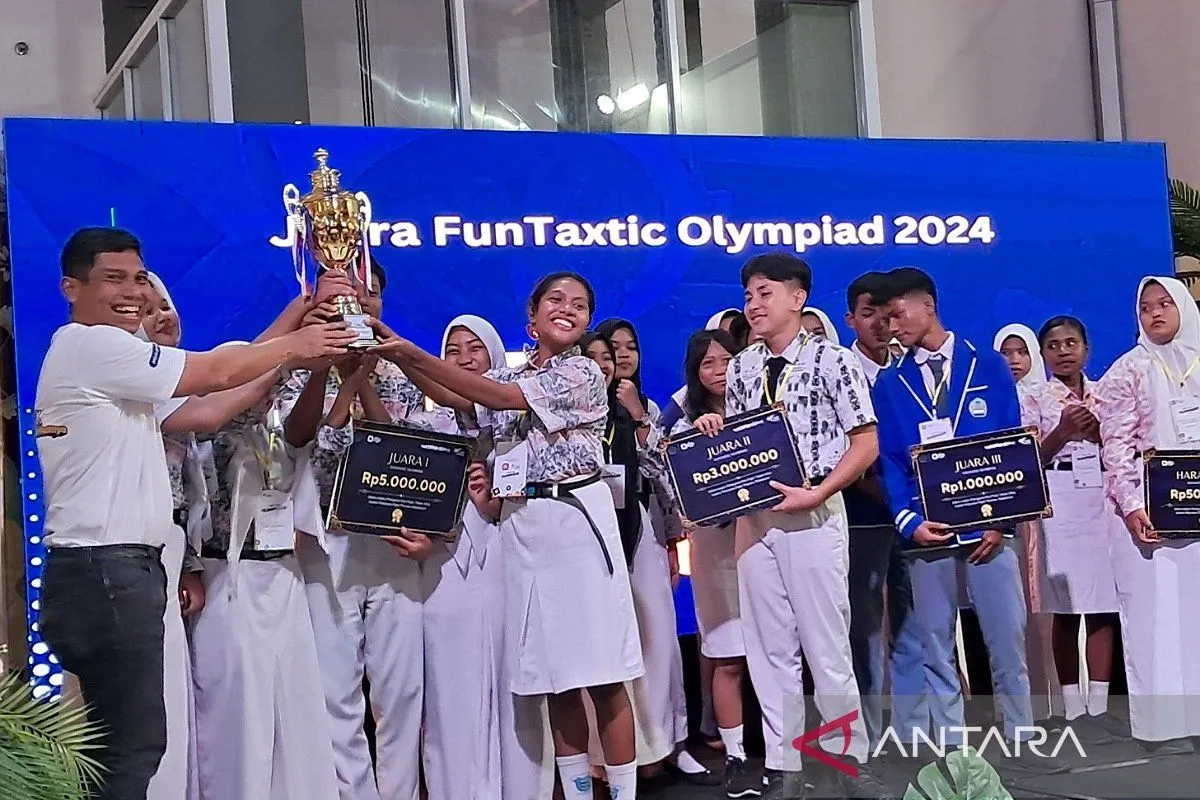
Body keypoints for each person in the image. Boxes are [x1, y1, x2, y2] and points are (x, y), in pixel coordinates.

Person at [35, 227, 355, 800]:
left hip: (114, 569)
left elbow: (215, 390)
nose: (133, 294)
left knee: (127, 746)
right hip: (107, 569)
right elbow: (217, 376)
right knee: (130, 750)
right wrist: (301, 343)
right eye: (114, 279)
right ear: (71, 288)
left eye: (139, 278)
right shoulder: (94, 347)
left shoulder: (113, 366)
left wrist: (301, 312)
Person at [371, 273, 643, 800]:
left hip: (575, 524)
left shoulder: (582, 372)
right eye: (556, 300)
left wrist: (406, 351)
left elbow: (496, 397)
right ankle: (578, 794)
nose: (568, 310)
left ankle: (624, 794)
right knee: (553, 677)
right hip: (521, 526)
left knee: (603, 673)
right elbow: (456, 394)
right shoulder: (512, 372)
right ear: (532, 316)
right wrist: (393, 351)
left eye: (580, 305)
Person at [695, 253, 889, 799]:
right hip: (754, 521)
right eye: (749, 296)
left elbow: (866, 443)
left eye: (765, 293)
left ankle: (848, 759)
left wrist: (820, 492)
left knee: (826, 646)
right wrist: (715, 430)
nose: (754, 305)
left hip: (814, 513)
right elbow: (742, 444)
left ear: (797, 298)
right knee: (768, 647)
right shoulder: (742, 367)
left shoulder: (833, 360)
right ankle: (784, 763)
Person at [870, 267, 1065, 773]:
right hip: (927, 531)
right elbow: (889, 461)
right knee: (935, 644)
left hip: (990, 528)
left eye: (898, 314)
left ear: (928, 305)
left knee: (1006, 639)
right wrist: (908, 521)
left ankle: (1021, 740)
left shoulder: (988, 365)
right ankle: (953, 752)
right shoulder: (890, 382)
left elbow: (1010, 443)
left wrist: (1002, 521)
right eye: (886, 319)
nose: (893, 326)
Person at [279, 263, 433, 800]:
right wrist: (330, 371)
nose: (360, 303)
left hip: (392, 537)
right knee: (335, 689)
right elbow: (298, 437)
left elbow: (400, 448)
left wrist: (363, 375)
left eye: (370, 294)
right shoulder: (297, 364)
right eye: (348, 294)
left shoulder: (401, 370)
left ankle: (400, 793)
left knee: (401, 688)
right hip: (326, 537)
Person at [417, 315, 553, 800]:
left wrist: (495, 502)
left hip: (508, 555)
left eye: (475, 348)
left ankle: (523, 788)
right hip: (442, 567)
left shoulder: (520, 421)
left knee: (517, 681)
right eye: (452, 350)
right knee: (450, 686)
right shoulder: (426, 427)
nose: (464, 358)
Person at [588, 322, 715, 791]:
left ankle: (667, 745)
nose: (620, 358)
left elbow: (664, 476)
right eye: (608, 351)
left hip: (643, 528)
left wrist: (640, 418)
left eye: (628, 348)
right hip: (590, 530)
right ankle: (605, 757)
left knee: (658, 639)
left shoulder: (648, 408)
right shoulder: (574, 407)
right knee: (603, 646)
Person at [1098, 276, 1200, 747]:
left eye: (1163, 304)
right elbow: (1115, 445)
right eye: (1145, 307)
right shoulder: (1128, 369)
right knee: (1154, 620)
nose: (1155, 313)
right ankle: (1163, 729)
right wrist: (1133, 506)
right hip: (1148, 517)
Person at [1021, 315, 1123, 740]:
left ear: (1086, 348)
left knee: (1102, 604)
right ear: (1043, 353)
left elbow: (1122, 446)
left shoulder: (1106, 394)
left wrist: (1100, 434)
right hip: (1058, 499)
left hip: (1099, 496)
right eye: (1054, 345)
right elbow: (1026, 460)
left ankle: (1099, 706)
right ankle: (1072, 707)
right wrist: (1061, 432)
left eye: (1071, 343)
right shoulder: (1033, 397)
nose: (1063, 352)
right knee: (1064, 606)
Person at [669, 328, 760, 799]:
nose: (719, 371)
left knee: (779, 656)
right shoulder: (684, 429)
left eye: (727, 360)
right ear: (695, 373)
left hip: (765, 542)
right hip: (715, 552)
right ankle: (736, 757)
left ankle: (785, 752)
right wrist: (700, 439)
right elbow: (680, 493)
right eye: (708, 363)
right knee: (728, 655)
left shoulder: (764, 412)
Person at [841, 273, 926, 747]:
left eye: (887, 313)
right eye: (868, 312)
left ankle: (912, 732)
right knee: (865, 629)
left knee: (913, 623)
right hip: (863, 517)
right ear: (851, 319)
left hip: (914, 521)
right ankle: (869, 733)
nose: (879, 323)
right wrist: (891, 498)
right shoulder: (840, 372)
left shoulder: (911, 370)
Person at [994, 324, 1047, 389]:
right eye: (1005, 353)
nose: (1014, 361)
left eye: (1023, 352)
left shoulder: (1053, 393)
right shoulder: (987, 394)